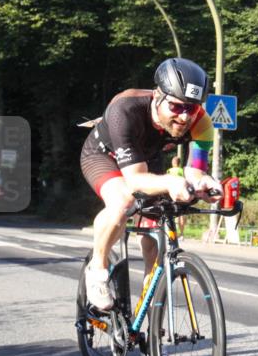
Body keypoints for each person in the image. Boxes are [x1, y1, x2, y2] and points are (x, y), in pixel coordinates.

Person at [80, 58, 219, 310]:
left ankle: (148, 314)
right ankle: (97, 268)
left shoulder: (203, 123)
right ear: (157, 96)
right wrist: (170, 181)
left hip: (147, 158)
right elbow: (133, 181)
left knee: (157, 233)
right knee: (124, 201)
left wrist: (203, 182)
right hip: (103, 155)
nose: (185, 117)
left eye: (193, 109)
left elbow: (195, 170)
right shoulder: (126, 109)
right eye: (177, 107)